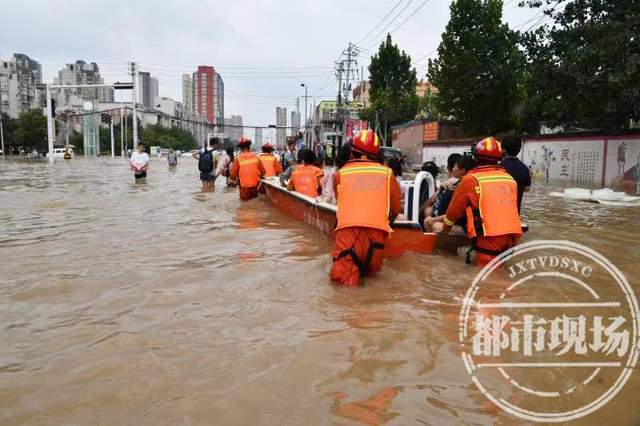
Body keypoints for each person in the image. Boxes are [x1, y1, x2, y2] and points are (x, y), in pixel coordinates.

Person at [330, 130, 402, 287]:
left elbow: (341, 205)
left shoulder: (340, 175)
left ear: (353, 152)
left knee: (346, 295)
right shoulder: (388, 174)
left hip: (347, 239)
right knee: (374, 287)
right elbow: (396, 208)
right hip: (376, 240)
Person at [442, 137, 522, 266]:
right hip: (513, 235)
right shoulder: (509, 178)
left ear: (476, 158)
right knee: (501, 269)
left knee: (488, 279)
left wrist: (445, 230)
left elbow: (452, 213)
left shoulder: (470, 179)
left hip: (490, 236)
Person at [424, 154, 473, 232]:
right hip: (457, 221)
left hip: (468, 226)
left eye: (455, 166)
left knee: (436, 226)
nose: (453, 168)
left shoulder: (462, 187)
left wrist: (433, 220)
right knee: (428, 212)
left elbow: (454, 213)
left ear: (462, 170)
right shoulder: (454, 184)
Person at [500, 135, 531, 214]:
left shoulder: (499, 168)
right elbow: (527, 189)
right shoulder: (525, 168)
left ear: (503, 150)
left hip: (500, 212)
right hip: (516, 213)